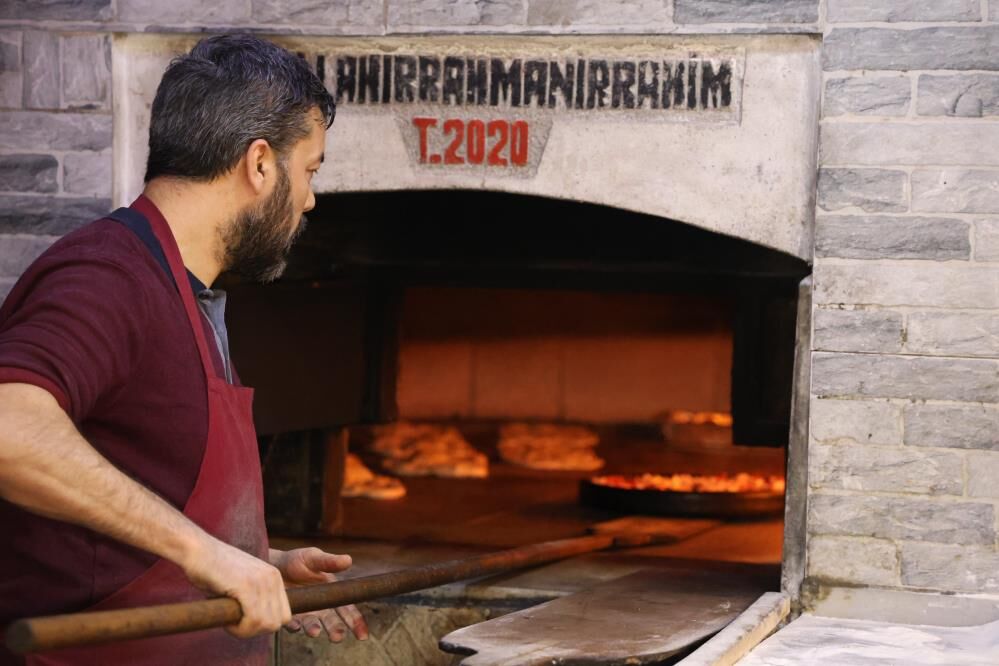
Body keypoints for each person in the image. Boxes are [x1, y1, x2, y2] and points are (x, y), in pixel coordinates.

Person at [0, 34, 367, 665]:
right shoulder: (109, 275)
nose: (309, 198)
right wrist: (204, 554)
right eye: (310, 170)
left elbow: (133, 503)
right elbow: (9, 426)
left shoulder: (186, 292)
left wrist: (258, 562)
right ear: (259, 164)